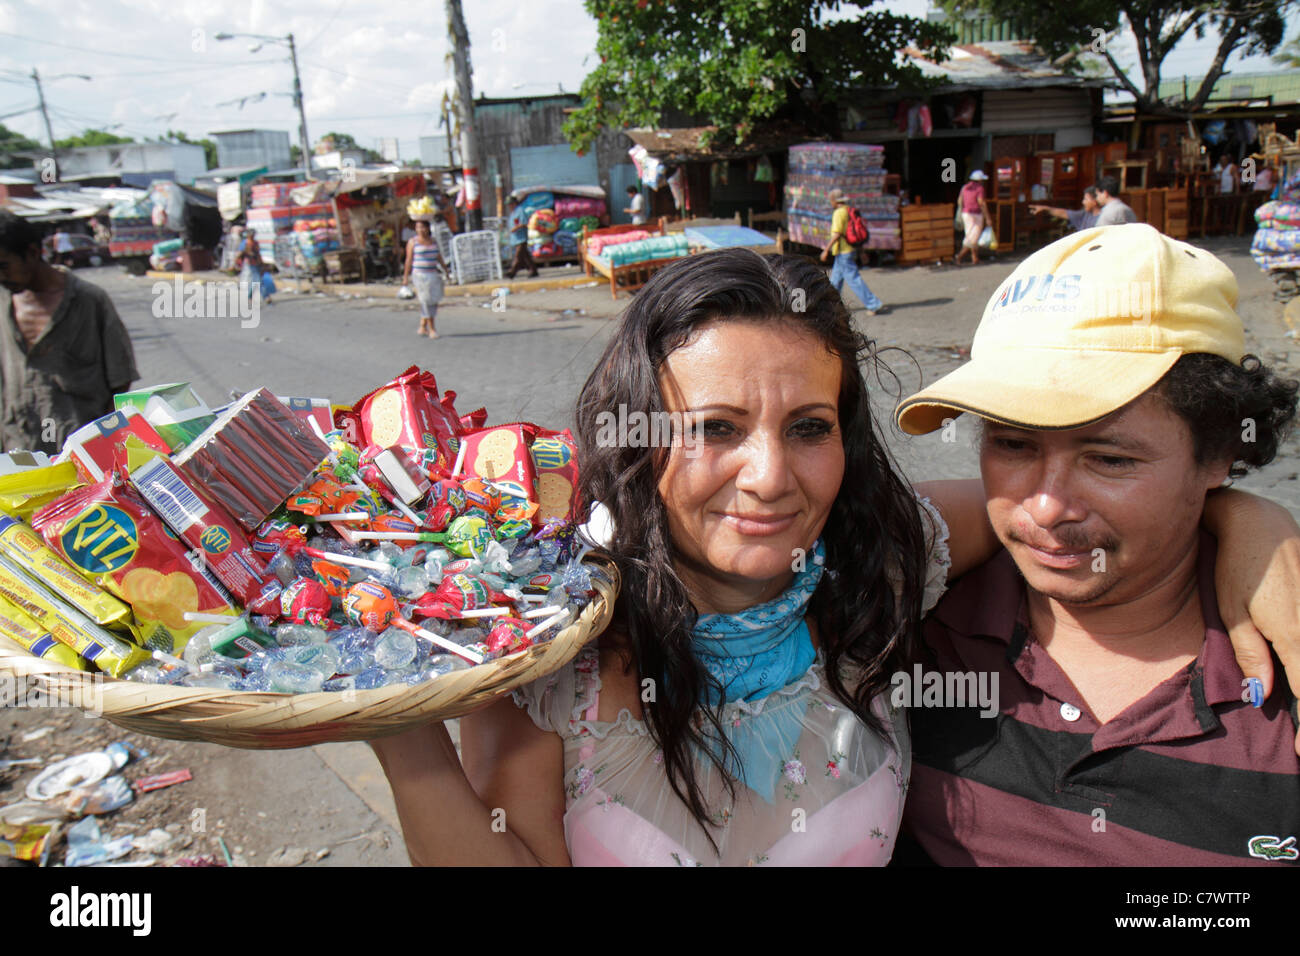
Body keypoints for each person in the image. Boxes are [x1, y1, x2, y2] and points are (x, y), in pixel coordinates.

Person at [368, 247, 1294, 866]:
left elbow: (1048, 513)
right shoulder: (552, 642)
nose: (769, 479)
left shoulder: (881, 580)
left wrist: (1251, 528)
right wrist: (393, 724)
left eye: (809, 427)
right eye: (715, 428)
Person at [892, 224, 1300, 865]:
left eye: (1109, 459)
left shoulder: (1284, 680)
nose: (1047, 506)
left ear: (1219, 453)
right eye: (1013, 444)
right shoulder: (909, 625)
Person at [0, 210, 138, 454]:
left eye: (4, 266)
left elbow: (121, 380)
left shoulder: (90, 300)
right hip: (20, 451)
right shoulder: (3, 304)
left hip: (80, 453)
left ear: (33, 252)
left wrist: (101, 446)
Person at [820, 188, 886, 315]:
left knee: (854, 280)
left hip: (843, 252)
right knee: (835, 281)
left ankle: (873, 304)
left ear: (834, 200)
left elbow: (837, 234)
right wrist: (861, 252)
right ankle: (830, 306)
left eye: (831, 200)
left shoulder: (839, 213)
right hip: (847, 251)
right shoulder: (848, 210)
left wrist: (826, 250)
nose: (830, 203)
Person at [402, 218, 444, 338]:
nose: (420, 230)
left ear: (427, 228)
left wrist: (445, 270)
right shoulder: (413, 242)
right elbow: (408, 260)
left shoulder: (433, 241)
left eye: (422, 227)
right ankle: (432, 329)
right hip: (420, 275)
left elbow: (438, 256)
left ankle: (422, 326)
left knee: (433, 300)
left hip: (433, 274)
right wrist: (405, 277)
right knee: (426, 301)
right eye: (417, 227)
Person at [954, 170, 992, 265]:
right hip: (976, 214)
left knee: (970, 234)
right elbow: (981, 203)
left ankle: (974, 258)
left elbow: (959, 201)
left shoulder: (964, 188)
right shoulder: (980, 188)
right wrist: (988, 217)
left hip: (966, 214)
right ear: (979, 180)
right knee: (973, 237)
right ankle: (959, 256)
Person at [1028, 186, 1100, 232]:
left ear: (1094, 202)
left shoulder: (1102, 218)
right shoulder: (1084, 214)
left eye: (1085, 199)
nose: (1083, 202)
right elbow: (1064, 213)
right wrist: (1045, 208)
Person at [504, 196, 538, 280]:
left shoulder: (520, 211)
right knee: (526, 256)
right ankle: (533, 270)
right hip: (515, 238)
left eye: (511, 204)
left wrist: (516, 228)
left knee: (518, 256)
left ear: (515, 203)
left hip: (521, 237)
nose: (510, 206)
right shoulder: (513, 213)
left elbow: (524, 223)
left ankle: (512, 272)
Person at [236, 232, 263, 308]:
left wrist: (261, 262)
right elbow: (241, 253)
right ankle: (264, 297)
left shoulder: (255, 243)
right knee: (256, 279)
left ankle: (250, 295)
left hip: (256, 263)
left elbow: (258, 253)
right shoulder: (245, 243)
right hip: (249, 263)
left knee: (256, 280)